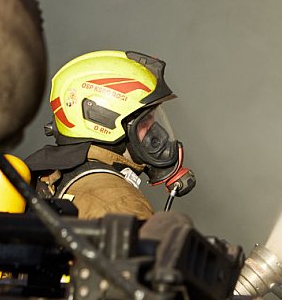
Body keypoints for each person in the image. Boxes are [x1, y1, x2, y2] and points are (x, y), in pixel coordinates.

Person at [25, 50, 195, 219]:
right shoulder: (121, 204)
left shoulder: (47, 177)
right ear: (103, 120)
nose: (158, 134)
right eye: (145, 121)